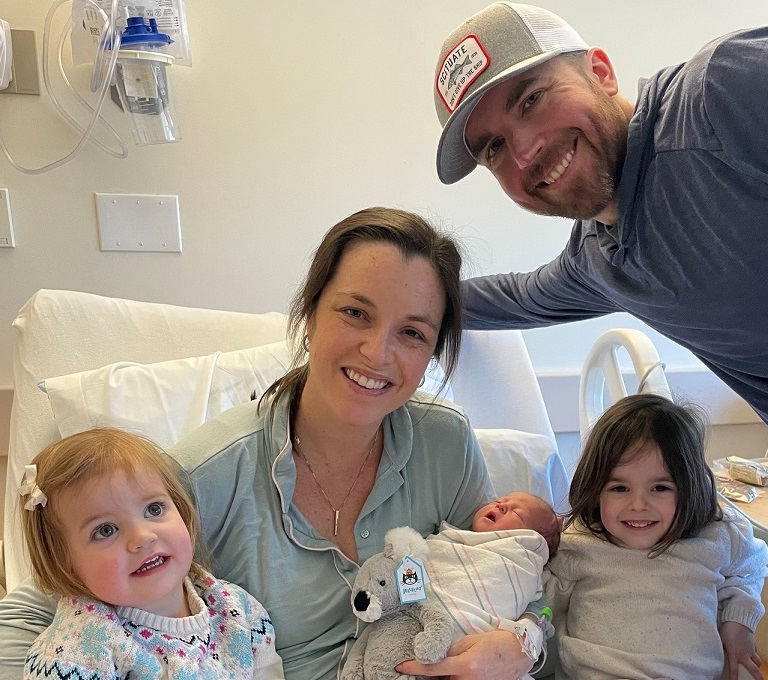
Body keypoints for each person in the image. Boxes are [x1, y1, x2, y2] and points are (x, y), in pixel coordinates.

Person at [431, 4, 768, 676]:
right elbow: (514, 297)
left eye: (532, 99)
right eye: (494, 148)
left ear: (599, 69)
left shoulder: (730, 97)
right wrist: (397, 298)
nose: (526, 149)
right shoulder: (607, 260)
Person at [0, 208, 539, 680]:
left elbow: (519, 574)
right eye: (355, 313)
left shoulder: (445, 443)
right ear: (309, 316)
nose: (377, 352)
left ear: (430, 358)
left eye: (413, 333)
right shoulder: (203, 477)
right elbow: (31, 611)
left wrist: (526, 644)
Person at [18, 427, 284, 679]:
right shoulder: (73, 654)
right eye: (106, 530)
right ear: (64, 563)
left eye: (154, 510)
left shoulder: (239, 612)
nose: (142, 538)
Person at [543, 394, 768, 680]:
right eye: (619, 489)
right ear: (596, 489)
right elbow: (537, 602)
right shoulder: (579, 544)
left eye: (660, 488)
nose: (638, 504)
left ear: (689, 487)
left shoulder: (715, 536)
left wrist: (740, 623)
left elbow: (751, 569)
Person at [422, 491, 561, 676]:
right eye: (498, 501)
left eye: (517, 514)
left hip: (483, 654)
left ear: (529, 538)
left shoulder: (523, 564)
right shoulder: (452, 540)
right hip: (426, 630)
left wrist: (530, 631)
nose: (500, 506)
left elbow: (539, 616)